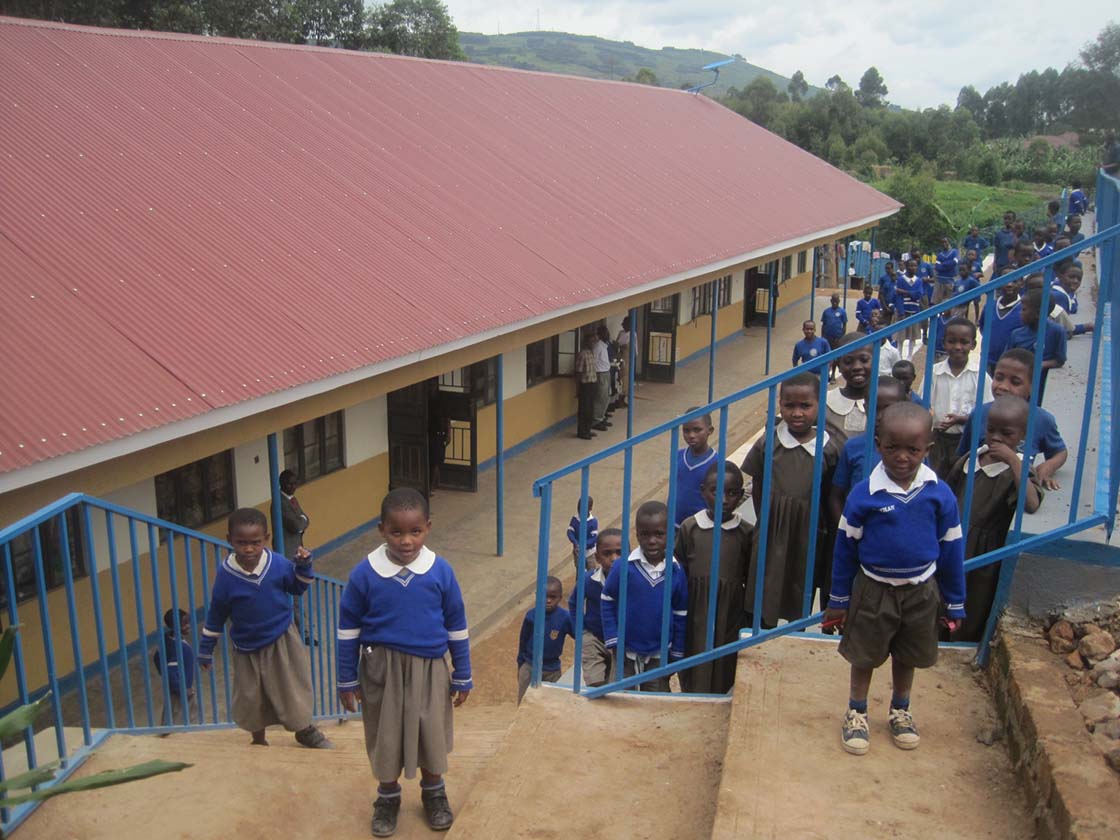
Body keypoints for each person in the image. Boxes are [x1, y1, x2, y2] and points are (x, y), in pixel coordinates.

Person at [825, 401, 965, 756]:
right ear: (878, 444)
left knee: (908, 653)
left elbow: (951, 549)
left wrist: (954, 602)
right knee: (865, 654)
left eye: (913, 449)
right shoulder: (864, 495)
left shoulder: (938, 493)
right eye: (892, 448)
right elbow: (844, 551)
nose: (902, 457)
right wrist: (838, 601)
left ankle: (900, 709)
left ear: (927, 450)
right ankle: (857, 712)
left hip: (921, 591)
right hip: (873, 590)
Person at [336, 488, 471, 836]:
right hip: (382, 671)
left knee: (431, 732)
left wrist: (463, 673)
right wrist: (346, 679)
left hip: (430, 669)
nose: (406, 541)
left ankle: (434, 792)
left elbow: (456, 624)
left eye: (415, 531)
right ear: (381, 529)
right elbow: (348, 630)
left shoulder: (441, 571)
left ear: (427, 527)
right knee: (386, 733)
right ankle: (388, 796)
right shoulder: (364, 575)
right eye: (396, 532)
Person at [199, 508, 329, 749]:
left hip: (281, 639)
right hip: (247, 647)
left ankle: (304, 729)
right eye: (241, 543)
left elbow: (297, 588)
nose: (249, 549)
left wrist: (303, 566)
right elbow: (217, 613)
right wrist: (206, 649)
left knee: (291, 687)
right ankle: (258, 739)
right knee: (251, 696)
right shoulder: (226, 575)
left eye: (255, 543)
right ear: (229, 541)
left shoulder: (278, 564)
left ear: (266, 539)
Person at [743, 372, 840, 628]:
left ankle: (797, 628)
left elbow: (831, 492)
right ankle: (763, 627)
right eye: (789, 406)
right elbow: (758, 483)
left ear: (819, 406)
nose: (797, 413)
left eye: (805, 406)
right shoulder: (770, 442)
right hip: (772, 525)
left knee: (802, 578)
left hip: (809, 528)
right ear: (780, 406)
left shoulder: (828, 447)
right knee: (768, 576)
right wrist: (767, 516)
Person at [946, 395, 1043, 643]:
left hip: (983, 548)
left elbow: (1031, 503)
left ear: (1022, 436)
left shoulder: (1017, 470)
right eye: (991, 430)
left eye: (1006, 434)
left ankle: (964, 641)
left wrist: (1012, 459)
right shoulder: (971, 458)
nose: (996, 438)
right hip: (954, 538)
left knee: (975, 596)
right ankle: (939, 636)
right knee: (944, 588)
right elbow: (947, 493)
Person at [675, 461, 754, 694]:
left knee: (724, 656)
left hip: (729, 609)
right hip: (695, 607)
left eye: (731, 493)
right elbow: (679, 568)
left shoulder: (746, 532)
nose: (723, 500)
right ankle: (692, 694)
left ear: (741, 495)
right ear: (703, 491)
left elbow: (749, 573)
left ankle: (717, 696)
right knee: (693, 651)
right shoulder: (691, 527)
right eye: (715, 492)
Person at [601, 500, 688, 692]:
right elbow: (607, 600)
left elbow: (681, 612)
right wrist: (613, 639)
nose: (652, 540)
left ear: (670, 535)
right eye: (645, 534)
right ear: (637, 534)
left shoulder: (676, 571)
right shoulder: (623, 568)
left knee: (655, 699)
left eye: (659, 534)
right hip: (626, 650)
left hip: (660, 652)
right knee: (622, 699)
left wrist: (677, 650)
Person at [956, 349, 1068, 490]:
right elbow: (964, 455)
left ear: (1032, 387)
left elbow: (1060, 452)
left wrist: (1047, 467)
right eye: (999, 378)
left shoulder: (1042, 419)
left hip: (1016, 494)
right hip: (979, 491)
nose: (1003, 386)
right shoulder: (979, 414)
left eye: (1015, 382)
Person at [828, 376, 908, 524]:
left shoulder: (914, 451)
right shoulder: (853, 447)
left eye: (889, 408)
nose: (881, 416)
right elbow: (836, 496)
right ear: (865, 408)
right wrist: (847, 529)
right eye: (875, 408)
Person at [929, 318, 991, 478]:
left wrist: (962, 419)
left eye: (964, 342)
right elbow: (924, 405)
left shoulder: (980, 375)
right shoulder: (934, 372)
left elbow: (988, 413)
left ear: (973, 345)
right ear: (944, 343)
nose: (957, 347)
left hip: (967, 440)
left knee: (962, 479)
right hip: (938, 439)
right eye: (952, 341)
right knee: (936, 477)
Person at [569, 529, 623, 688]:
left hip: (621, 641)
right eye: (607, 554)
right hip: (595, 637)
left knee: (616, 687)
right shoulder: (588, 580)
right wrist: (580, 631)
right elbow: (573, 603)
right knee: (595, 682)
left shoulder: (632, 580)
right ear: (597, 557)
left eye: (620, 553)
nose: (614, 558)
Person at [516, 577, 573, 703]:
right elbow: (523, 641)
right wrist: (520, 665)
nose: (548, 600)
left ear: (560, 597)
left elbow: (579, 636)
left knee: (550, 704)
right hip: (530, 666)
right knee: (525, 702)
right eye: (544, 596)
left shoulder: (565, 617)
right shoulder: (531, 615)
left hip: (552, 669)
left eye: (553, 597)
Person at [1007, 287, 1066, 403]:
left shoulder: (1057, 331)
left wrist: (1041, 364)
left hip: (1040, 387)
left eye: (1023, 309)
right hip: (1018, 387)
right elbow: (1007, 358)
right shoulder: (1016, 334)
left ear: (1038, 313)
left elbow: (1060, 360)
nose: (1020, 313)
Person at [673, 410, 717, 527]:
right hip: (675, 522)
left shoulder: (716, 462)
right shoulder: (679, 455)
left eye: (697, 430)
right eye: (686, 431)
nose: (691, 435)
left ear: (710, 430)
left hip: (699, 526)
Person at [154, 608, 197, 726]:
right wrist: (182, 689)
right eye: (184, 624)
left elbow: (157, 658)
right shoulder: (179, 647)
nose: (188, 626)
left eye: (188, 621)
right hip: (181, 690)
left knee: (172, 715)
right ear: (174, 626)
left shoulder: (167, 640)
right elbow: (170, 671)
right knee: (181, 720)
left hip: (176, 688)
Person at [825, 334, 872, 441]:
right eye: (848, 361)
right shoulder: (825, 402)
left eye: (864, 360)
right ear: (838, 366)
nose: (857, 367)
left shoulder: (886, 401)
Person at [980, 273, 1023, 374]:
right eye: (1005, 280)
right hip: (988, 360)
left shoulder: (1024, 309)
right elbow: (982, 328)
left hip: (1012, 363)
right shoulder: (989, 306)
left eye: (1014, 281)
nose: (1009, 284)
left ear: (1022, 283)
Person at [893, 259, 924, 359]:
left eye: (915, 266)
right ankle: (899, 355)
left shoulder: (918, 281)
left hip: (914, 310)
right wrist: (900, 311)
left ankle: (909, 356)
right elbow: (898, 296)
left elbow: (918, 295)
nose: (913, 268)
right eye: (911, 266)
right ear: (907, 267)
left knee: (912, 335)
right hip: (903, 310)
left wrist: (904, 291)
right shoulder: (901, 280)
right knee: (900, 335)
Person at [1050, 265, 1093, 337]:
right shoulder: (1059, 296)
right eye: (1071, 277)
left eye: (1079, 279)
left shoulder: (1062, 291)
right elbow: (1066, 329)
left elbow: (1074, 308)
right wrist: (1086, 327)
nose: (1076, 281)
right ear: (1060, 277)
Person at [574, 331, 599, 440]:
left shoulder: (591, 353)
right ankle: (582, 432)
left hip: (592, 383)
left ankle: (588, 429)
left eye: (594, 341)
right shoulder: (582, 354)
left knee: (590, 409)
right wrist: (578, 389)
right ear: (587, 342)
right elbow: (578, 372)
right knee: (584, 410)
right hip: (585, 385)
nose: (594, 343)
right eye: (592, 341)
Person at [566, 496, 599, 574]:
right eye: (579, 509)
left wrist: (584, 545)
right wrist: (575, 542)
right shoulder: (575, 519)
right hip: (578, 552)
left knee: (591, 571)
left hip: (590, 553)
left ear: (590, 509)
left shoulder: (593, 521)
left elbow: (594, 538)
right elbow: (570, 532)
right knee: (579, 571)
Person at [427, 380, 449, 495]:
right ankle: (435, 484)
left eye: (433, 385)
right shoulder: (426, 400)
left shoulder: (440, 401)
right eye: (430, 385)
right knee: (431, 462)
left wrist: (448, 433)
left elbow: (446, 418)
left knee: (436, 463)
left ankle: (432, 486)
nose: (431, 388)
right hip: (429, 435)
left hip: (439, 435)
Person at [279, 470, 309, 553]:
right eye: (289, 484)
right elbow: (295, 526)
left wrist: (302, 520)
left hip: (297, 546)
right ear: (282, 484)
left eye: (295, 483)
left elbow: (307, 519)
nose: (293, 487)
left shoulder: (292, 499)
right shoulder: (281, 503)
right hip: (287, 549)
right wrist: (302, 520)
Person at [821, 294, 848, 381]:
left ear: (839, 301)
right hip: (827, 338)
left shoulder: (842, 312)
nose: (835, 303)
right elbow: (823, 325)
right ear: (831, 301)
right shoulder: (826, 312)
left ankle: (833, 374)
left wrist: (841, 337)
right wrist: (822, 337)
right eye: (833, 301)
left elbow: (844, 325)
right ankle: (826, 374)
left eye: (836, 301)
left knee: (835, 357)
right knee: (826, 356)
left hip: (837, 338)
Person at [591, 328, 612, 432]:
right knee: (600, 397)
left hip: (606, 372)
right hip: (600, 374)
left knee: (606, 397)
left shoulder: (604, 345)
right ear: (600, 335)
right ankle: (596, 421)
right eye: (605, 333)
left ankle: (602, 417)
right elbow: (593, 361)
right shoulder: (598, 346)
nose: (608, 335)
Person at [614, 316, 634, 409]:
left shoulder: (632, 334)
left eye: (625, 323)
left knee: (626, 379)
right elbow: (617, 345)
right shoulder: (621, 333)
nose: (623, 325)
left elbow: (635, 349)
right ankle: (618, 399)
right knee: (619, 378)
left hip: (627, 359)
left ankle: (623, 398)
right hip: (620, 358)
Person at [933, 237, 959, 304]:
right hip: (940, 281)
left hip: (950, 281)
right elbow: (937, 267)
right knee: (937, 302)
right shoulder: (940, 255)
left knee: (949, 302)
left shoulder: (954, 252)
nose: (944, 244)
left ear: (949, 242)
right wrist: (948, 265)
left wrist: (943, 264)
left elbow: (954, 262)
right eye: (942, 242)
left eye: (945, 242)